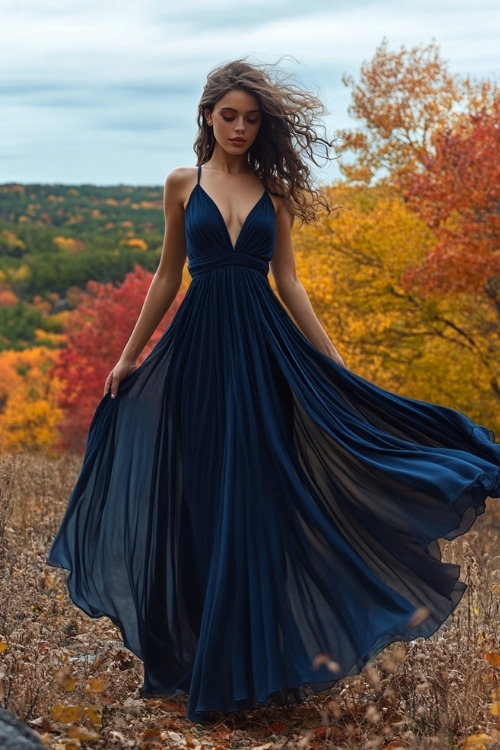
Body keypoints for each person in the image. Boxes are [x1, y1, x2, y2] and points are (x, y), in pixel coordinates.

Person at [48, 60, 500, 723]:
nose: (239, 127)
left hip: (263, 359)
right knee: (205, 504)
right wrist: (127, 357)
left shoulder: (275, 192)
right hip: (199, 359)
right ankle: (211, 663)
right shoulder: (182, 184)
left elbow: (288, 283)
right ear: (207, 116)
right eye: (228, 115)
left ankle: (256, 669)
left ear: (263, 126)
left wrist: (333, 360)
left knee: (254, 503)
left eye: (251, 118)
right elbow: (168, 278)